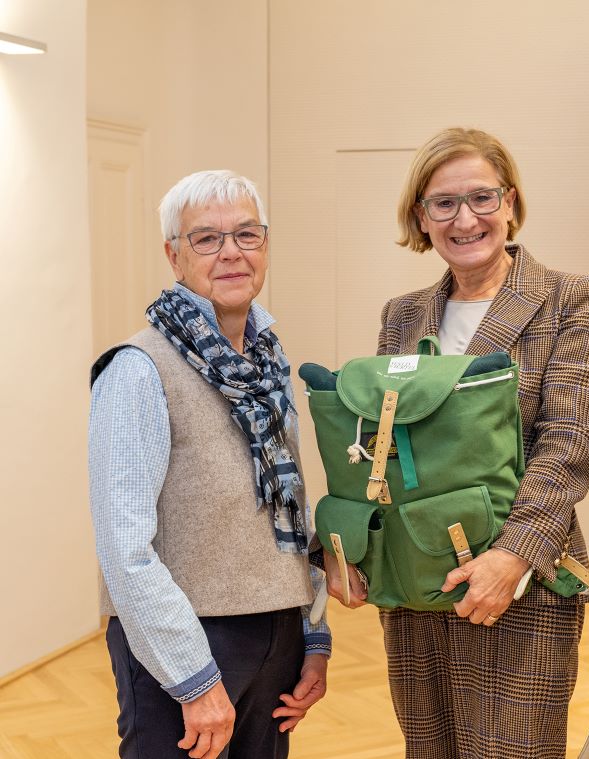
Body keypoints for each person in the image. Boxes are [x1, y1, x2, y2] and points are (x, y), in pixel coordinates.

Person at [322, 126, 589, 759]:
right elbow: (389, 449)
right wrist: (362, 550)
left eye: (482, 198)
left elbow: (567, 446)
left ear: (509, 201)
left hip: (523, 587)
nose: (465, 219)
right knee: (427, 747)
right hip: (417, 586)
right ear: (421, 217)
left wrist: (510, 558)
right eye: (444, 203)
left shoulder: (573, 300)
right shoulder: (402, 314)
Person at [88, 170, 331, 759]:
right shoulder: (137, 371)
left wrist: (313, 636)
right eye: (207, 238)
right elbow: (124, 548)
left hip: (275, 635)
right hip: (183, 645)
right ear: (174, 256)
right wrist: (193, 678)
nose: (231, 252)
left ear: (265, 247)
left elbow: (291, 512)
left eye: (247, 234)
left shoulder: (269, 362)